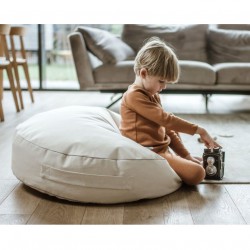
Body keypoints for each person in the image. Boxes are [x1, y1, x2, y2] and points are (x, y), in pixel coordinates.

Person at [119, 37, 221, 185]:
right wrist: (200, 130)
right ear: (143, 73)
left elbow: (167, 127)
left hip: (160, 149)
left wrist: (186, 156)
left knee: (173, 130)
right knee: (198, 173)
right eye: (161, 81)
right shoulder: (133, 96)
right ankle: (171, 169)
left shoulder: (152, 95)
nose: (164, 86)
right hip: (147, 153)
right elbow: (165, 120)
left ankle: (176, 164)